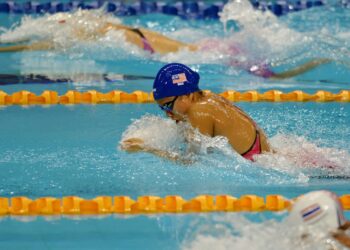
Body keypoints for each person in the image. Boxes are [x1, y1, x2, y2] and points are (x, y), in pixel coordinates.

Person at [0, 10, 331, 79]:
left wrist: (319, 60)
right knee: (46, 45)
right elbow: (284, 75)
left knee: (44, 39)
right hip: (136, 42)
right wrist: (319, 62)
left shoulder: (219, 48)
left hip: (134, 33)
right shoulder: (235, 61)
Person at [121, 62, 271, 162]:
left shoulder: (199, 111)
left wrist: (147, 148)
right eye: (162, 108)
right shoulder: (207, 98)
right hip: (267, 159)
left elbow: (192, 162)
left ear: (187, 95)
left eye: (168, 106)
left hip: (262, 167)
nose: (167, 113)